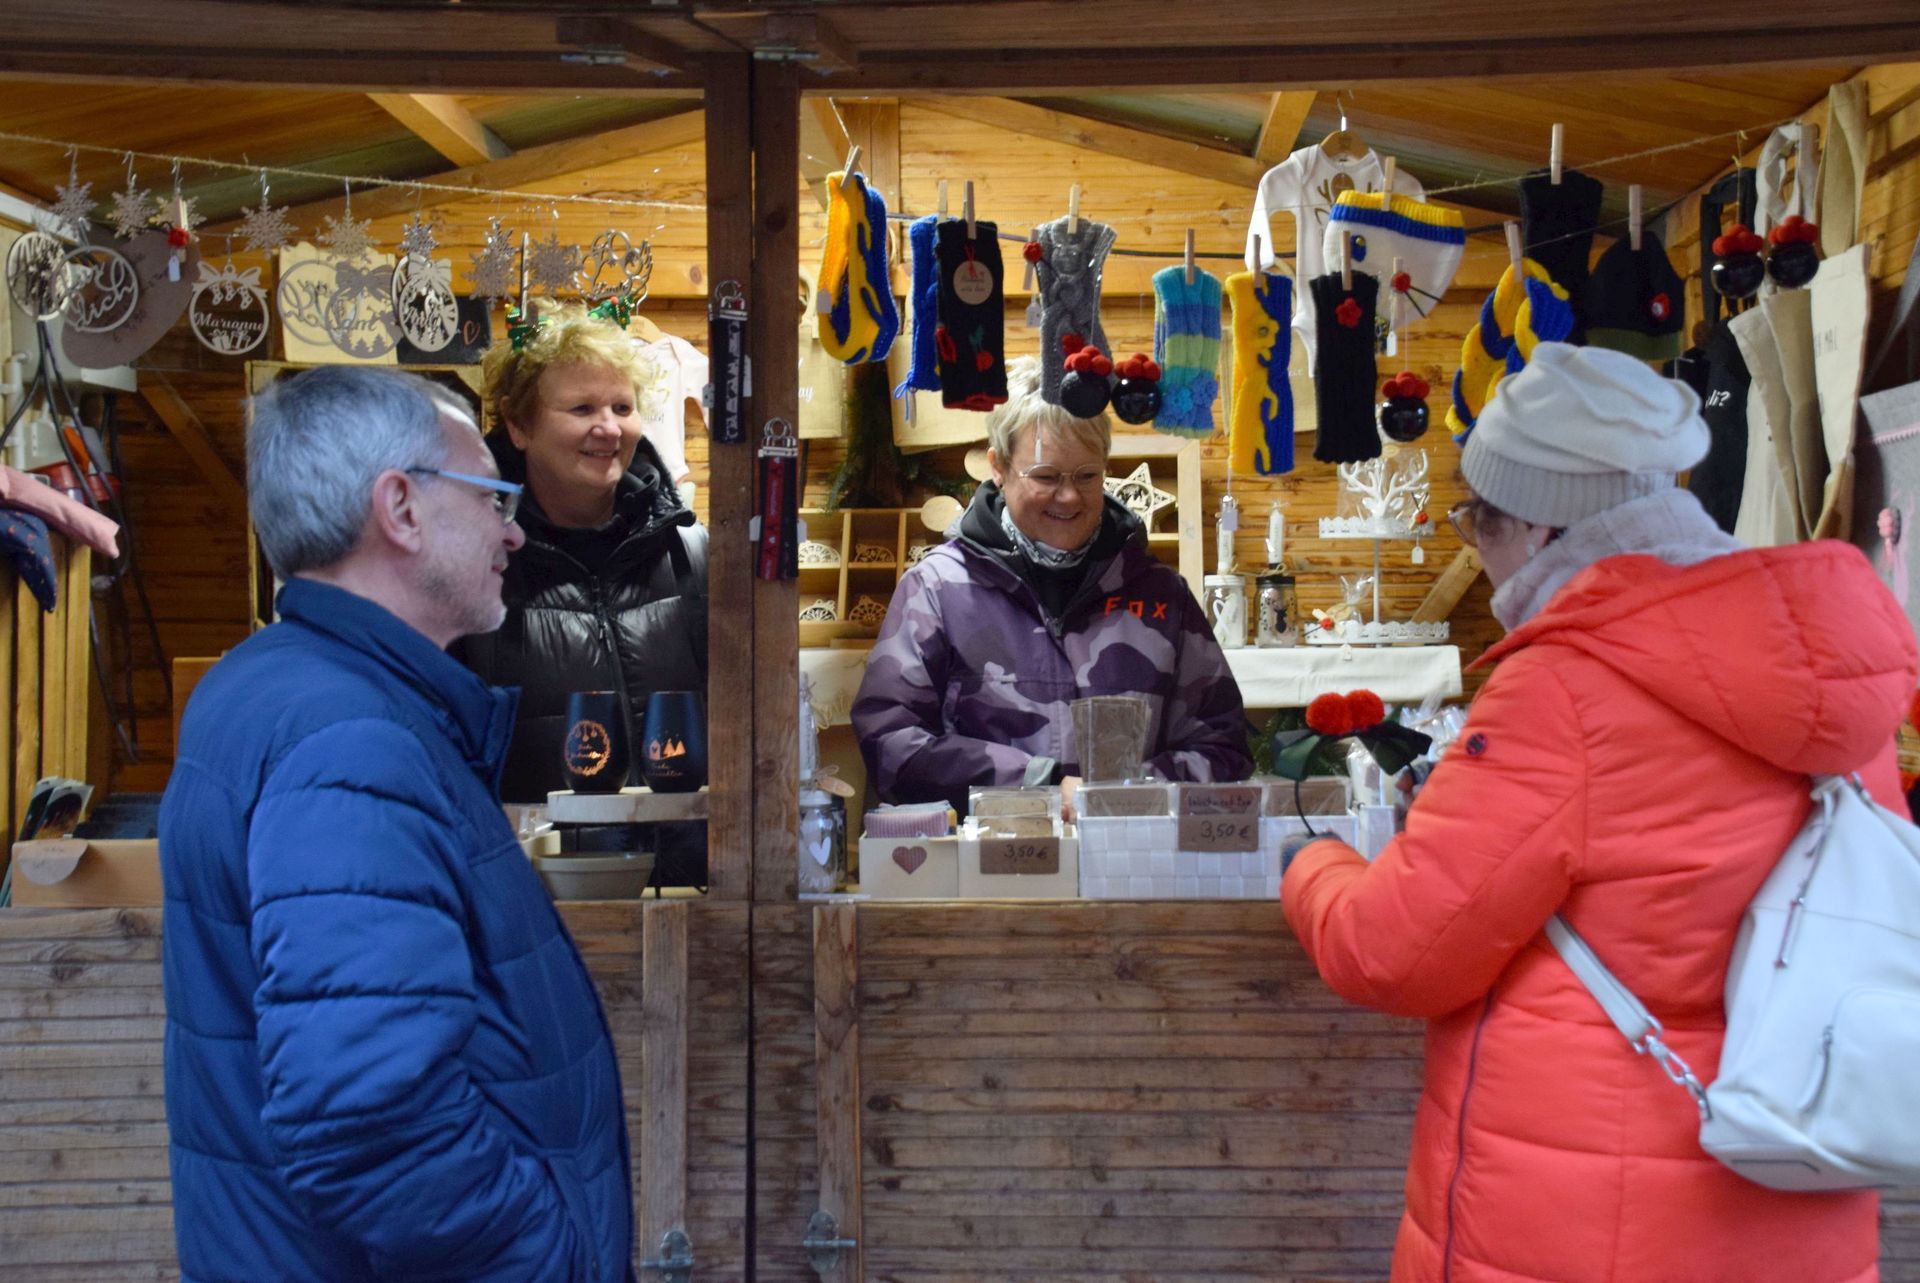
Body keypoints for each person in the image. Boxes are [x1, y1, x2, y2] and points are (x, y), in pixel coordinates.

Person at [1281, 343, 1916, 1283]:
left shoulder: (1566, 686)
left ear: (1536, 529)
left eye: (1477, 524)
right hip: (1796, 1179)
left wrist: (1314, 868)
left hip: (1585, 1221)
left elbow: (1395, 948)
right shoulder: (1835, 677)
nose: (1481, 554)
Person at [160, 367, 632, 1282]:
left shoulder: (281, 681)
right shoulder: (350, 739)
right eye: (493, 495)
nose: (513, 527)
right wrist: (544, 1254)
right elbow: (367, 1118)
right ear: (402, 509)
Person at [853, 357, 1251, 815]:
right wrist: (1037, 787)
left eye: (1087, 476)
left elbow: (1224, 749)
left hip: (1129, 867)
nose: (1069, 496)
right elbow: (890, 742)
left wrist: (1123, 792)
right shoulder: (937, 589)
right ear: (998, 467)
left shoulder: (1161, 593)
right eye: (1045, 476)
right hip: (986, 872)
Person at [454, 304, 708, 881]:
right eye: (582, 408)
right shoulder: (477, 569)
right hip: (538, 896)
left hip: (692, 887)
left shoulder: (691, 553)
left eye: (623, 407)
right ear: (519, 427)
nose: (610, 427)